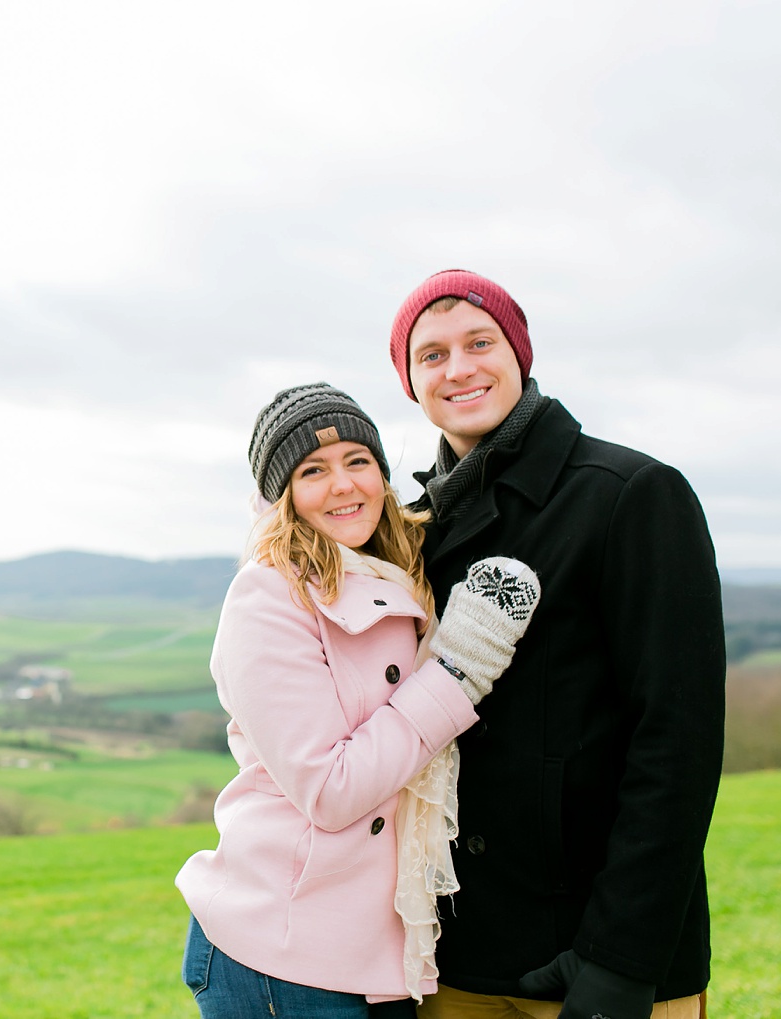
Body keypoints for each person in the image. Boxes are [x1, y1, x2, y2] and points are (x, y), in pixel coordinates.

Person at [388, 270, 726, 1019]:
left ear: (519, 353)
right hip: (457, 961)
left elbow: (678, 743)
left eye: (480, 342)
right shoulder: (412, 530)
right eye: (432, 354)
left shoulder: (631, 493)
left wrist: (621, 962)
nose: (460, 367)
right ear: (411, 383)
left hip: (599, 962)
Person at [176, 383, 542, 1017]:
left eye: (357, 461)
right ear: (282, 496)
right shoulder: (269, 597)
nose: (342, 484)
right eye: (312, 470)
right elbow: (333, 789)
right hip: (283, 952)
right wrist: (457, 671)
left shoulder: (395, 576)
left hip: (381, 952)